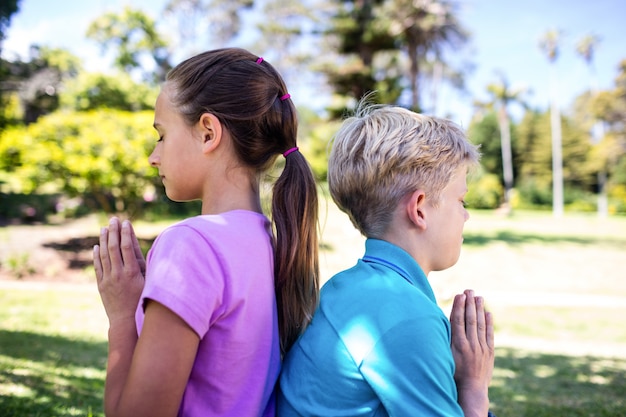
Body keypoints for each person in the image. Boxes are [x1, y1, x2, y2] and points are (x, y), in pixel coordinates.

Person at [93, 47, 320, 417]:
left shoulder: (191, 246)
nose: (154, 156)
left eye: (162, 136)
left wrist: (121, 316)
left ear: (208, 133)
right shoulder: (268, 244)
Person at [278, 102, 495, 417]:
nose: (466, 215)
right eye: (461, 200)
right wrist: (474, 389)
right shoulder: (405, 317)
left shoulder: (344, 288)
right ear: (419, 208)